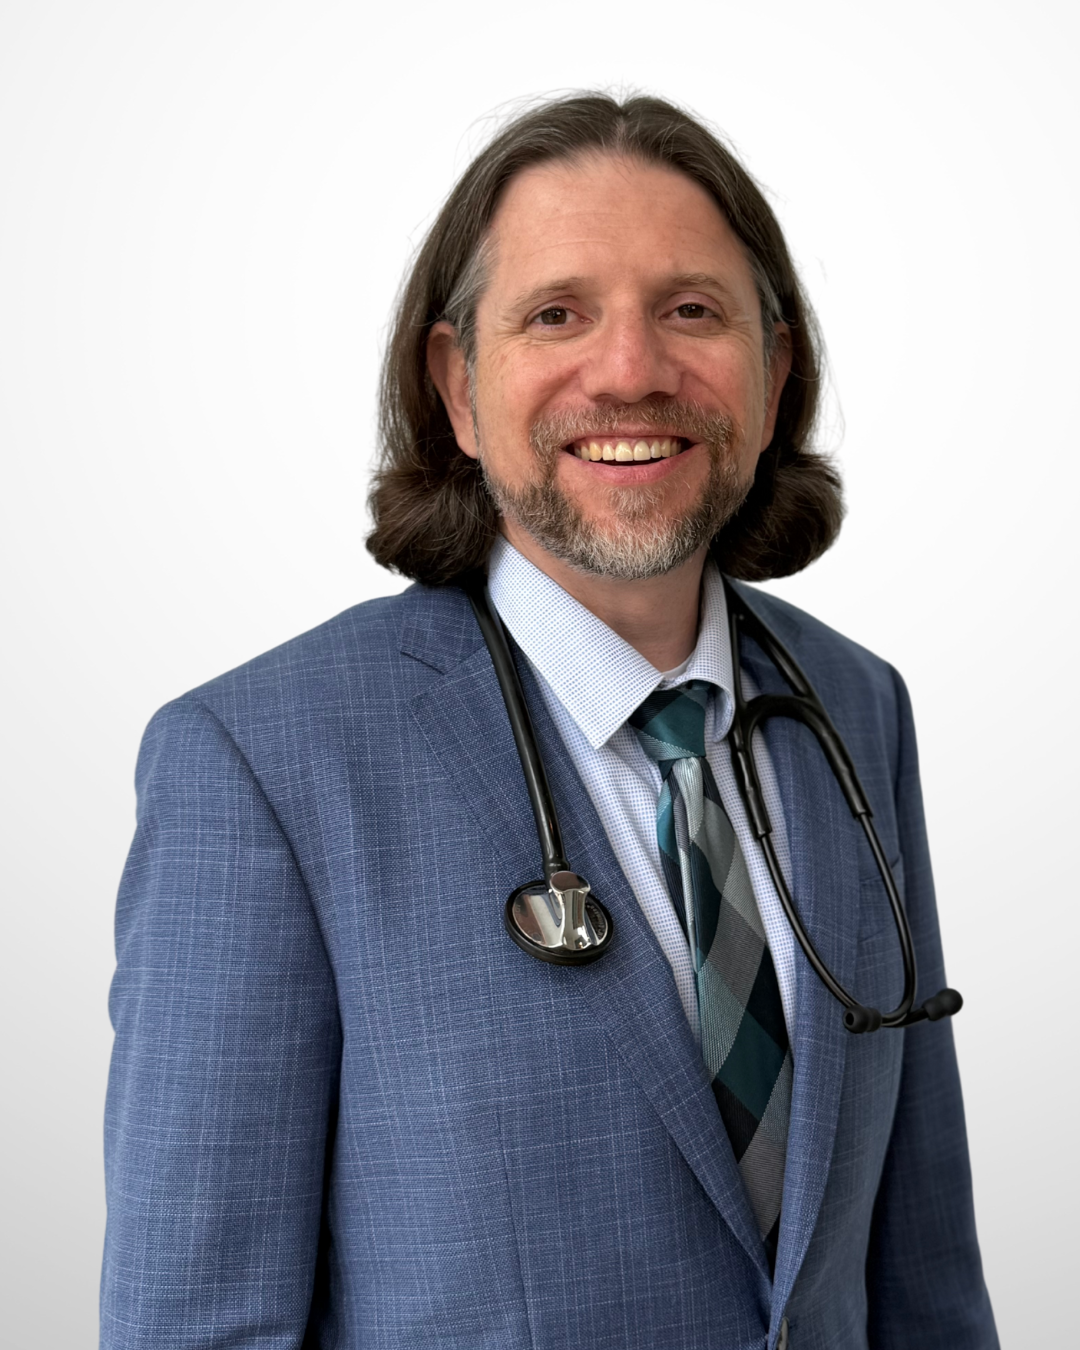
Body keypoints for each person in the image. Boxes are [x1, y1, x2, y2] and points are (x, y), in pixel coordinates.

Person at [101, 93, 998, 1349]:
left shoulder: (856, 708)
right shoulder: (262, 766)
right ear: (457, 387)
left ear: (775, 375)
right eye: (557, 314)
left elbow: (927, 1285)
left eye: (692, 311)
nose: (630, 371)